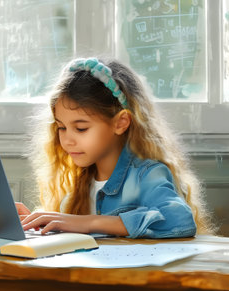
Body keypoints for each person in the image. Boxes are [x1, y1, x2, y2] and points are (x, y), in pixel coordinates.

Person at [16, 57, 212, 238]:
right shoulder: (76, 182)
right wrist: (37, 222)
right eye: (61, 127)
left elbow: (179, 221)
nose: (67, 140)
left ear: (121, 123)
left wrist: (88, 223)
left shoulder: (147, 175)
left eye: (81, 128)